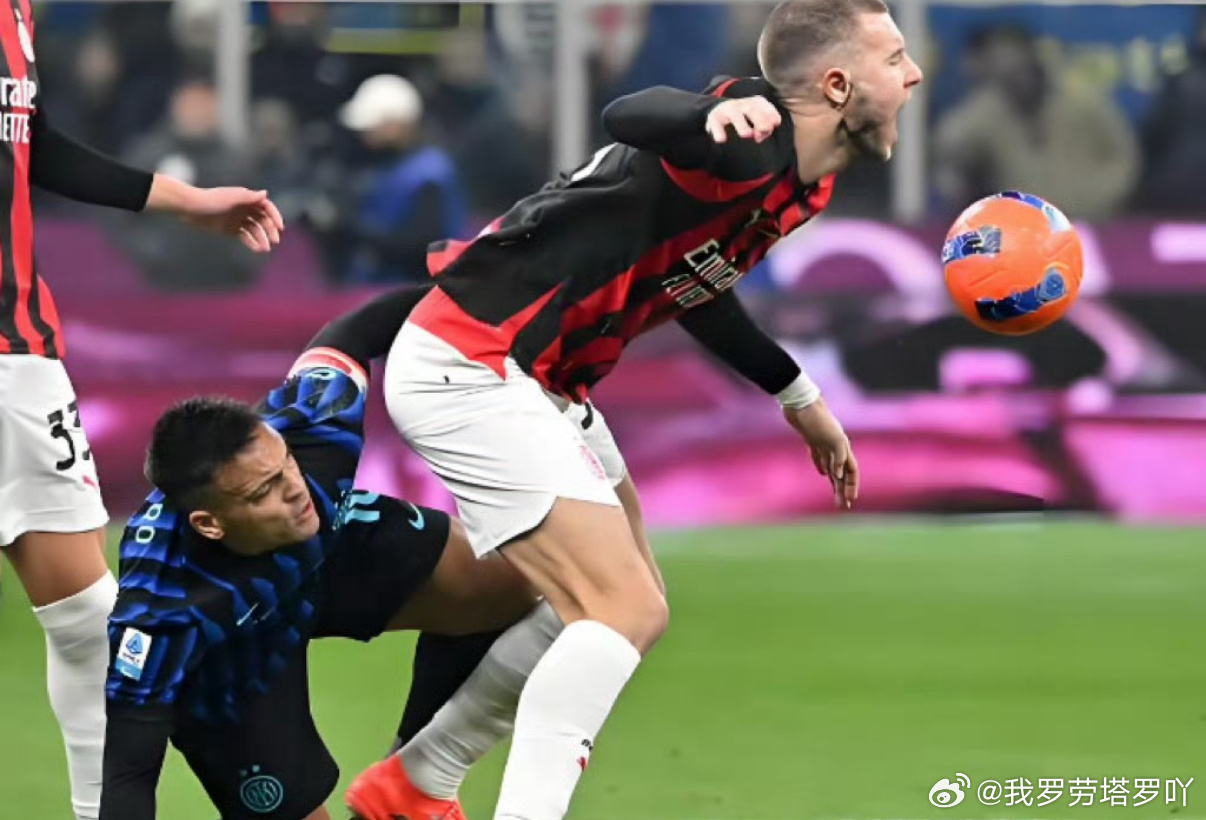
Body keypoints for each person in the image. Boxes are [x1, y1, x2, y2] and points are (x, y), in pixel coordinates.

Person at [360, 2, 923, 819]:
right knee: (618, 608)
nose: (913, 74)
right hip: (473, 358)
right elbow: (629, 113)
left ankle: (414, 784)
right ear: (837, 84)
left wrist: (796, 394)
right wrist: (707, 112)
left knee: (626, 611)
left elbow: (698, 285)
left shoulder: (805, 182)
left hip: (545, 383)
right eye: (895, 57)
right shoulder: (745, 139)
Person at [98, 285, 552, 820]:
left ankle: (410, 784)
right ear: (209, 524)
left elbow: (357, 329)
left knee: (511, 575)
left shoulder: (310, 427)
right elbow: (128, 772)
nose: (294, 489)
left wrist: (484, 284)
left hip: (324, 552)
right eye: (263, 491)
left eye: (285, 465)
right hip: (236, 661)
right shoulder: (160, 616)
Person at [0, 3, 283, 818]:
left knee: (90, 621)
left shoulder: (17, 15)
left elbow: (31, 142)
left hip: (17, 354)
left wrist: (182, 200)